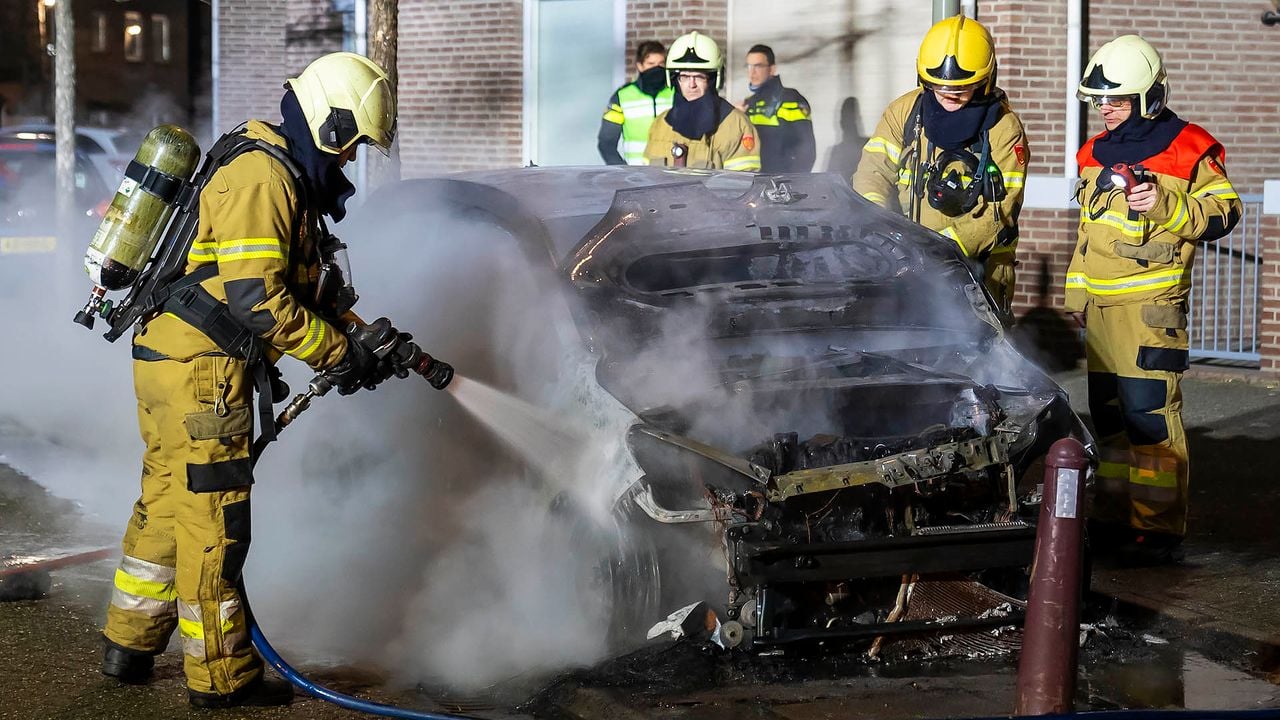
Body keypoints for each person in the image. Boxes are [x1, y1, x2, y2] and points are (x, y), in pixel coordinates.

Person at [98, 52, 450, 708]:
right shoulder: (263, 177)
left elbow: (301, 286)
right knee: (214, 525)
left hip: (172, 361)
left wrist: (363, 338)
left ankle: (129, 643)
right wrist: (333, 354)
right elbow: (257, 302)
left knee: (170, 502)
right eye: (348, 147)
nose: (347, 162)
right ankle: (222, 679)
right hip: (203, 374)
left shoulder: (270, 163)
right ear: (329, 124)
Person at [1068, 35, 1240, 565]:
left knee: (1150, 419)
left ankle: (1158, 530)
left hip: (1150, 312)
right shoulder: (1094, 152)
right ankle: (1117, 515)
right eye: (1099, 102)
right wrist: (1077, 289)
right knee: (1111, 420)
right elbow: (1088, 230)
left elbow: (1225, 213)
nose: (1105, 112)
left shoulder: (1189, 148)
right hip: (1100, 313)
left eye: (1116, 101)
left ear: (1150, 98)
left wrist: (1165, 203)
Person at [851, 15, 1028, 317]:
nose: (949, 95)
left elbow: (999, 213)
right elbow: (872, 174)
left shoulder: (1003, 129)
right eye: (938, 86)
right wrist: (877, 231)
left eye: (963, 88)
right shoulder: (904, 113)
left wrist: (936, 251)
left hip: (976, 271)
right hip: (904, 267)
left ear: (984, 82)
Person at [643, 31, 760, 172]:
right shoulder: (660, 125)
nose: (691, 84)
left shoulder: (737, 126)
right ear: (674, 80)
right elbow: (646, 180)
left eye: (699, 77)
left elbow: (741, 186)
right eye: (684, 77)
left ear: (714, 80)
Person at [740, 44, 816, 173]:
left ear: (772, 69)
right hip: (752, 183)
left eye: (758, 66)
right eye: (749, 66)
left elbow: (805, 151)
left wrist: (791, 186)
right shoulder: (748, 103)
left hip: (781, 185)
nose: (752, 72)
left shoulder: (790, 99)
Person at [598, 41, 673, 165]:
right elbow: (606, 142)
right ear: (640, 66)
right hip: (637, 175)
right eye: (651, 64)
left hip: (672, 174)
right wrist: (622, 173)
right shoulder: (622, 97)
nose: (657, 68)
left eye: (661, 63)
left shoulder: (676, 93)